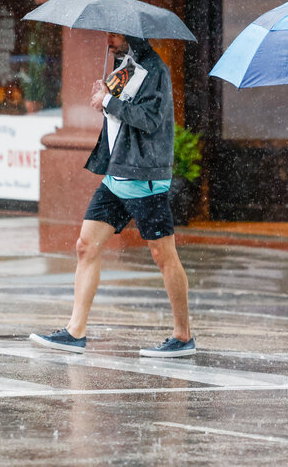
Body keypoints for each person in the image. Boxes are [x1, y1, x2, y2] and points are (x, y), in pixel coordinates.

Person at [30, 33, 195, 358]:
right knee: (85, 246)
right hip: (116, 173)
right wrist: (104, 95)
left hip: (145, 177)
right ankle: (75, 331)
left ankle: (183, 335)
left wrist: (109, 102)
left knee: (164, 256)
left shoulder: (155, 70)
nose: (108, 40)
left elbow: (150, 120)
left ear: (132, 35)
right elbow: (118, 116)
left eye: (114, 35)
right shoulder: (125, 68)